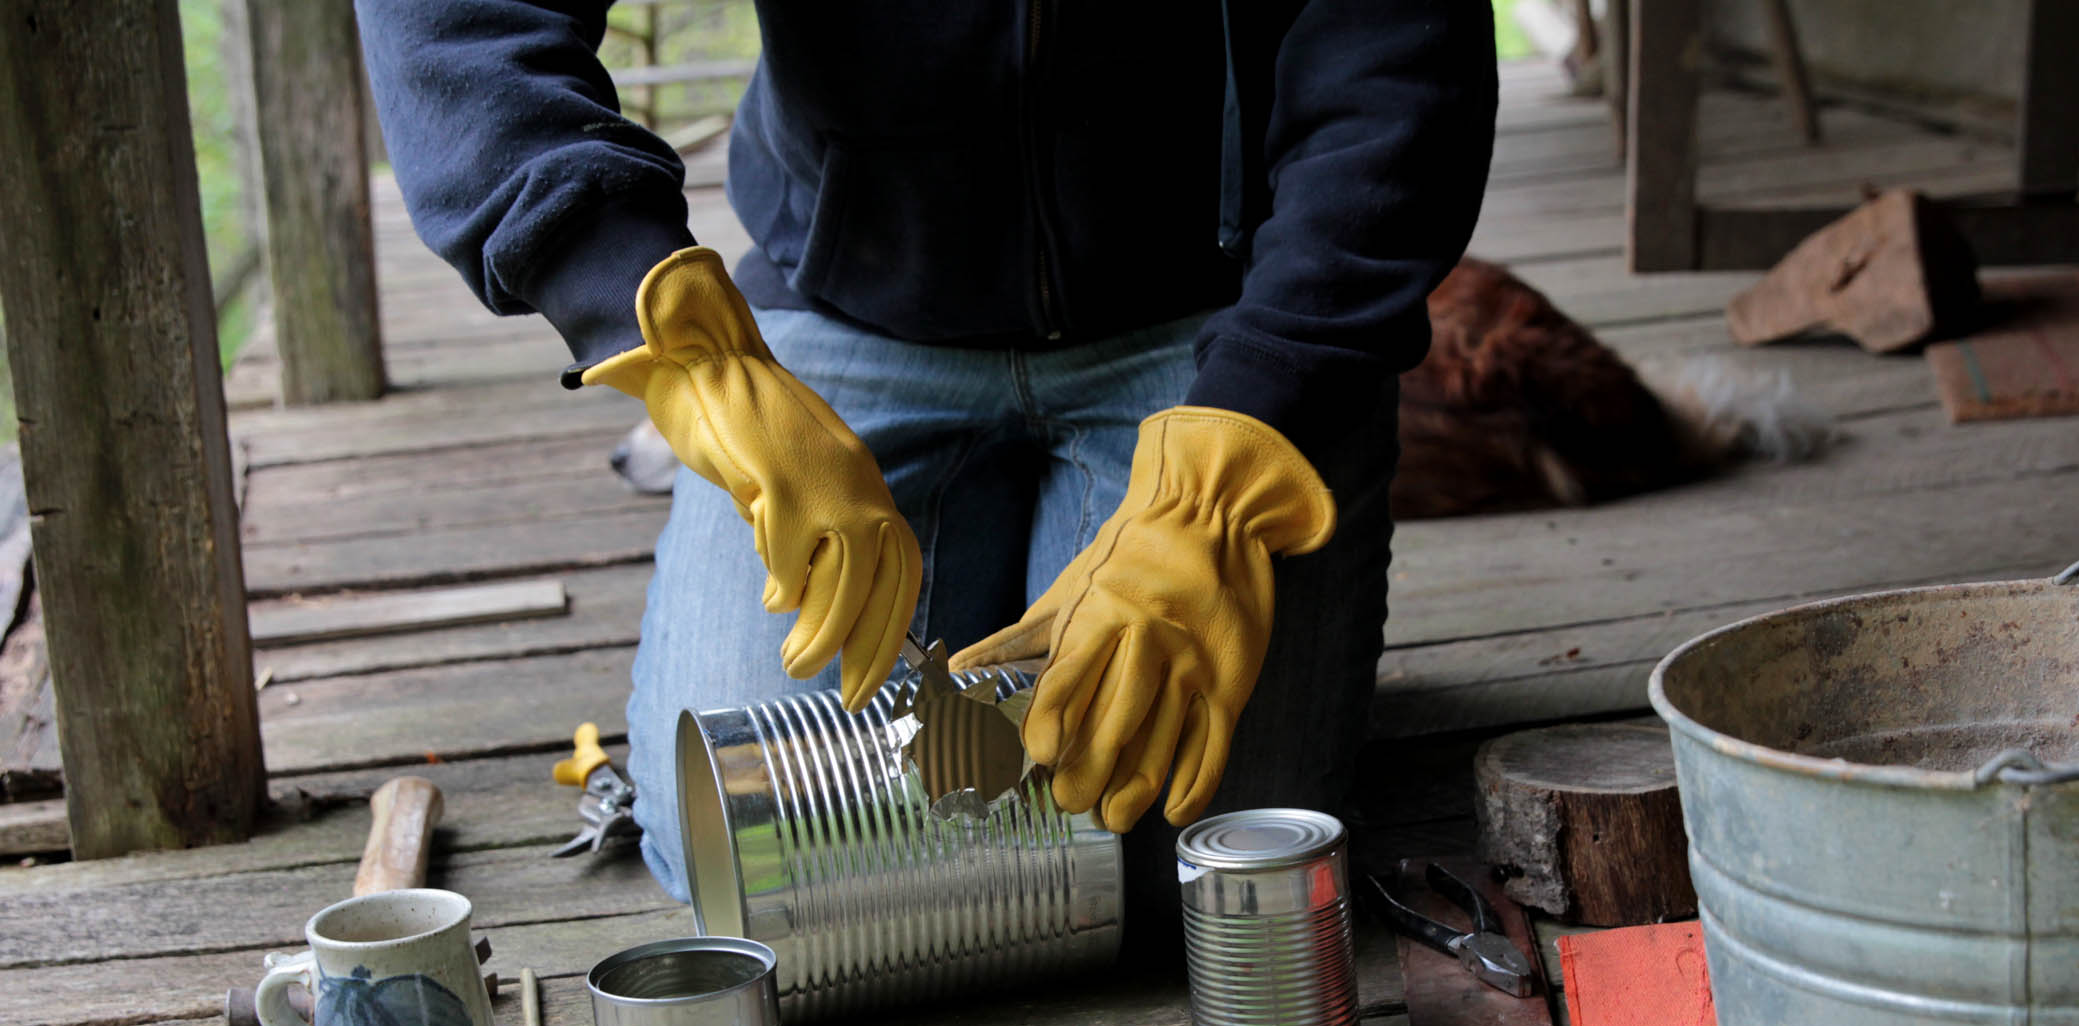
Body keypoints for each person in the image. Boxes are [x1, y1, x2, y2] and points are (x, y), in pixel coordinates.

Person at [357, 0, 1497, 908]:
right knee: (740, 860)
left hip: (1215, 331)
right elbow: (455, 20)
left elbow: (1394, 58)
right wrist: (660, 323)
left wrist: (1264, 409)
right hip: (847, 309)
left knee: (1192, 860)